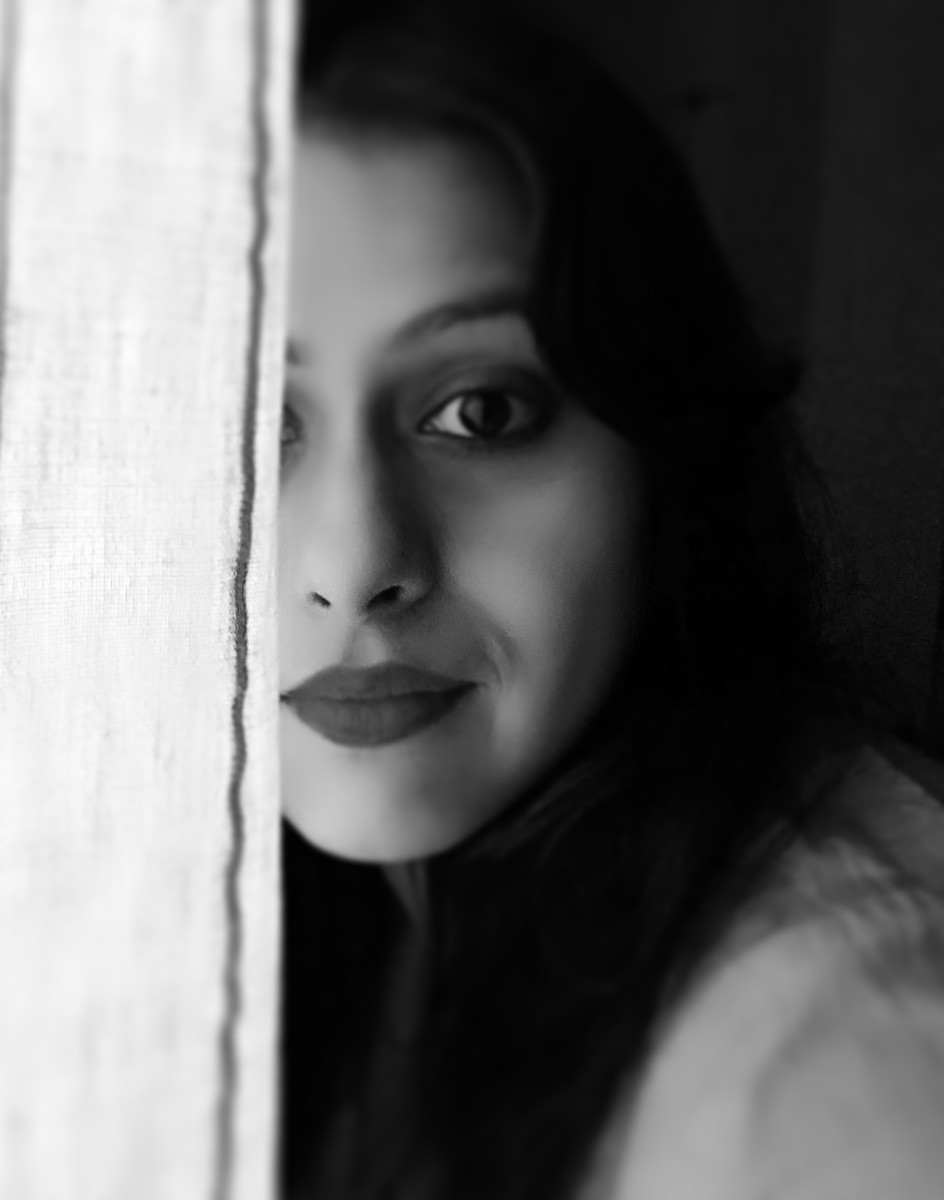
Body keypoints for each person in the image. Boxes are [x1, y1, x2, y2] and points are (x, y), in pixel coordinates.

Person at [276, 2, 944, 1197]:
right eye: (246, 422)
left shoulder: (836, 1070)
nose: (354, 560)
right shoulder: (284, 927)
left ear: (661, 454)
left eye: (480, 411)